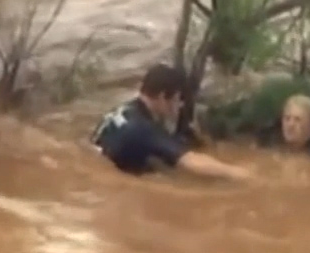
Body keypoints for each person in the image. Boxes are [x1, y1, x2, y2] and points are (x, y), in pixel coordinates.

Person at [91, 64, 252, 181]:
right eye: (177, 99)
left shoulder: (126, 109)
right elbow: (189, 160)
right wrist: (238, 173)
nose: (180, 105)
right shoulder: (143, 129)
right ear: (162, 97)